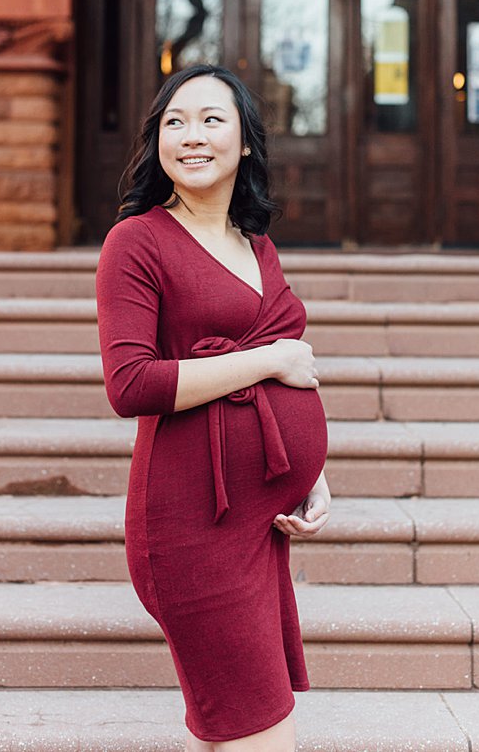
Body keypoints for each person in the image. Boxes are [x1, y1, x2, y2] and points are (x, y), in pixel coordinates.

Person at [95, 64, 332, 751]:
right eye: (174, 121)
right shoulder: (136, 242)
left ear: (246, 143)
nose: (191, 136)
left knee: (233, 731)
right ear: (156, 142)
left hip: (261, 526)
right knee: (260, 731)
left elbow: (287, 367)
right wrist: (268, 361)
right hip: (190, 526)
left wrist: (309, 472)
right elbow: (130, 384)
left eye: (211, 119)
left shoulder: (256, 244)